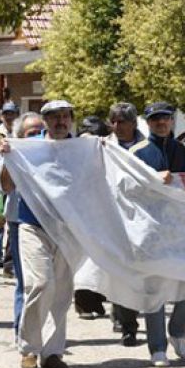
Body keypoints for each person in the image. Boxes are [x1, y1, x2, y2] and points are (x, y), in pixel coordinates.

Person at [0, 100, 77, 368]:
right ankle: (29, 349)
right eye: (53, 117)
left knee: (62, 292)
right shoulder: (29, 149)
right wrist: (8, 158)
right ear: (45, 122)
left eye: (65, 116)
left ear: (71, 119)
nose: (60, 121)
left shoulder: (80, 149)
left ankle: (53, 352)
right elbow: (6, 186)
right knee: (41, 284)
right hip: (32, 225)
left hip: (67, 230)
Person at [129, 101, 185, 367]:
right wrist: (153, 180)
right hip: (151, 232)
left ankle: (178, 332)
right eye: (155, 119)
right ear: (147, 122)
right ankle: (157, 347)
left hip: (182, 229)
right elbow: (127, 189)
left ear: (172, 121)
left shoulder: (184, 151)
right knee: (154, 290)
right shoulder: (137, 153)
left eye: (165, 118)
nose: (161, 123)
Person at [0, 112, 44, 335]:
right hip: (20, 222)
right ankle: (22, 329)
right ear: (19, 137)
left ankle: (40, 330)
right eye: (31, 134)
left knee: (45, 282)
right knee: (25, 279)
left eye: (40, 132)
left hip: (49, 225)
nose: (36, 137)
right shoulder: (8, 156)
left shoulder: (53, 155)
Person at [103, 102, 147, 346]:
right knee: (120, 270)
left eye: (123, 121)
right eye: (114, 121)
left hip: (141, 218)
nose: (118, 126)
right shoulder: (104, 147)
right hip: (113, 217)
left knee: (138, 272)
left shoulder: (147, 148)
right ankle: (128, 325)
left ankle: (125, 313)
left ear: (133, 123)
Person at [71, 116, 110, 320]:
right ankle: (84, 302)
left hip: (102, 211)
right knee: (84, 259)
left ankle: (96, 299)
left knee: (101, 259)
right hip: (82, 212)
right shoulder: (75, 153)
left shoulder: (106, 151)